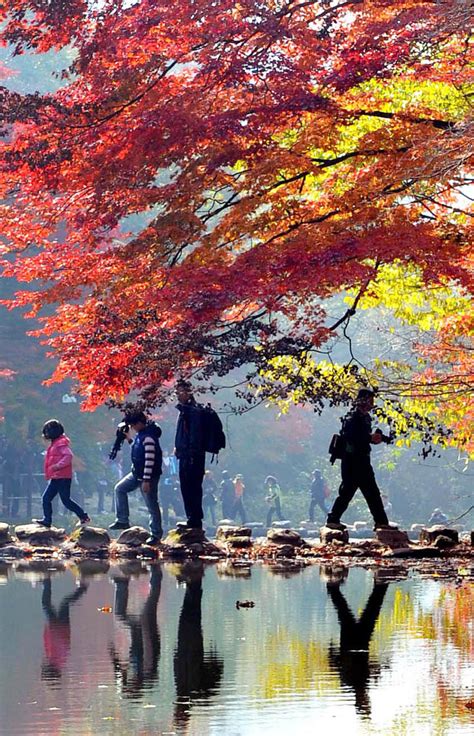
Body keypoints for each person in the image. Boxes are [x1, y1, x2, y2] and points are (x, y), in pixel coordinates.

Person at [326, 389, 394, 531]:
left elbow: (364, 438)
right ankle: (333, 520)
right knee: (349, 492)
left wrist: (376, 438)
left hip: (362, 460)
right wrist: (370, 438)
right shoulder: (351, 418)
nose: (371, 405)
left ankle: (381, 523)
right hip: (352, 461)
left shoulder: (366, 418)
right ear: (362, 401)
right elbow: (352, 437)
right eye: (369, 401)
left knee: (371, 493)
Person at [327, 572, 389, 717]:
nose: (366, 699)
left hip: (350, 643)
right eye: (367, 702)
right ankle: (381, 582)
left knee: (346, 613)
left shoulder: (349, 683)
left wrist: (333, 652)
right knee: (371, 611)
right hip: (362, 642)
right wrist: (379, 667)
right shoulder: (362, 683)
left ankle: (332, 586)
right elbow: (364, 666)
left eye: (364, 702)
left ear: (359, 701)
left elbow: (340, 665)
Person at [109, 410, 163, 546]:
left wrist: (146, 480)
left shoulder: (149, 437)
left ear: (139, 423)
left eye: (133, 425)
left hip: (147, 476)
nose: (132, 428)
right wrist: (128, 439)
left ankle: (156, 534)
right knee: (119, 489)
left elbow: (149, 459)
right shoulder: (141, 435)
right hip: (136, 474)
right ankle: (122, 519)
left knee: (151, 505)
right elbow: (138, 450)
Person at [33, 419, 90, 529]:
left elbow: (68, 456)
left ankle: (84, 517)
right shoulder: (56, 444)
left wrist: (57, 466)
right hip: (57, 477)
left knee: (65, 500)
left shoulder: (61, 444)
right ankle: (47, 520)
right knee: (46, 498)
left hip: (62, 477)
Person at [41, 576, 88, 682]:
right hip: (59, 626)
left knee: (58, 604)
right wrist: (52, 629)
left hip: (57, 626)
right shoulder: (58, 658)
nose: (44, 665)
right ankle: (46, 581)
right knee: (59, 603)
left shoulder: (56, 660)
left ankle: (47, 581)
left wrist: (48, 629)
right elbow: (59, 641)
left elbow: (48, 641)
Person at [174, 379, 207, 529]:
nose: (177, 395)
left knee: (192, 487)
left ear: (189, 393)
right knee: (187, 487)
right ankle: (192, 519)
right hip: (186, 455)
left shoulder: (193, 412)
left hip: (192, 457)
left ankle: (195, 520)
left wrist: (191, 454)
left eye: (180, 392)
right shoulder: (185, 411)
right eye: (176, 392)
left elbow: (195, 436)